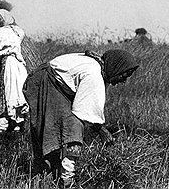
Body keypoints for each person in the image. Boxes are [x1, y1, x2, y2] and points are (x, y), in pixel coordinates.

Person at [23, 49, 139, 188]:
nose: (124, 80)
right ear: (116, 67)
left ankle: (50, 175)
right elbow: (84, 112)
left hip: (53, 83)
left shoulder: (98, 70)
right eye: (125, 74)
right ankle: (66, 180)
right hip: (47, 83)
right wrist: (102, 131)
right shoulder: (93, 75)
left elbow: (90, 108)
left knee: (62, 130)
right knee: (72, 129)